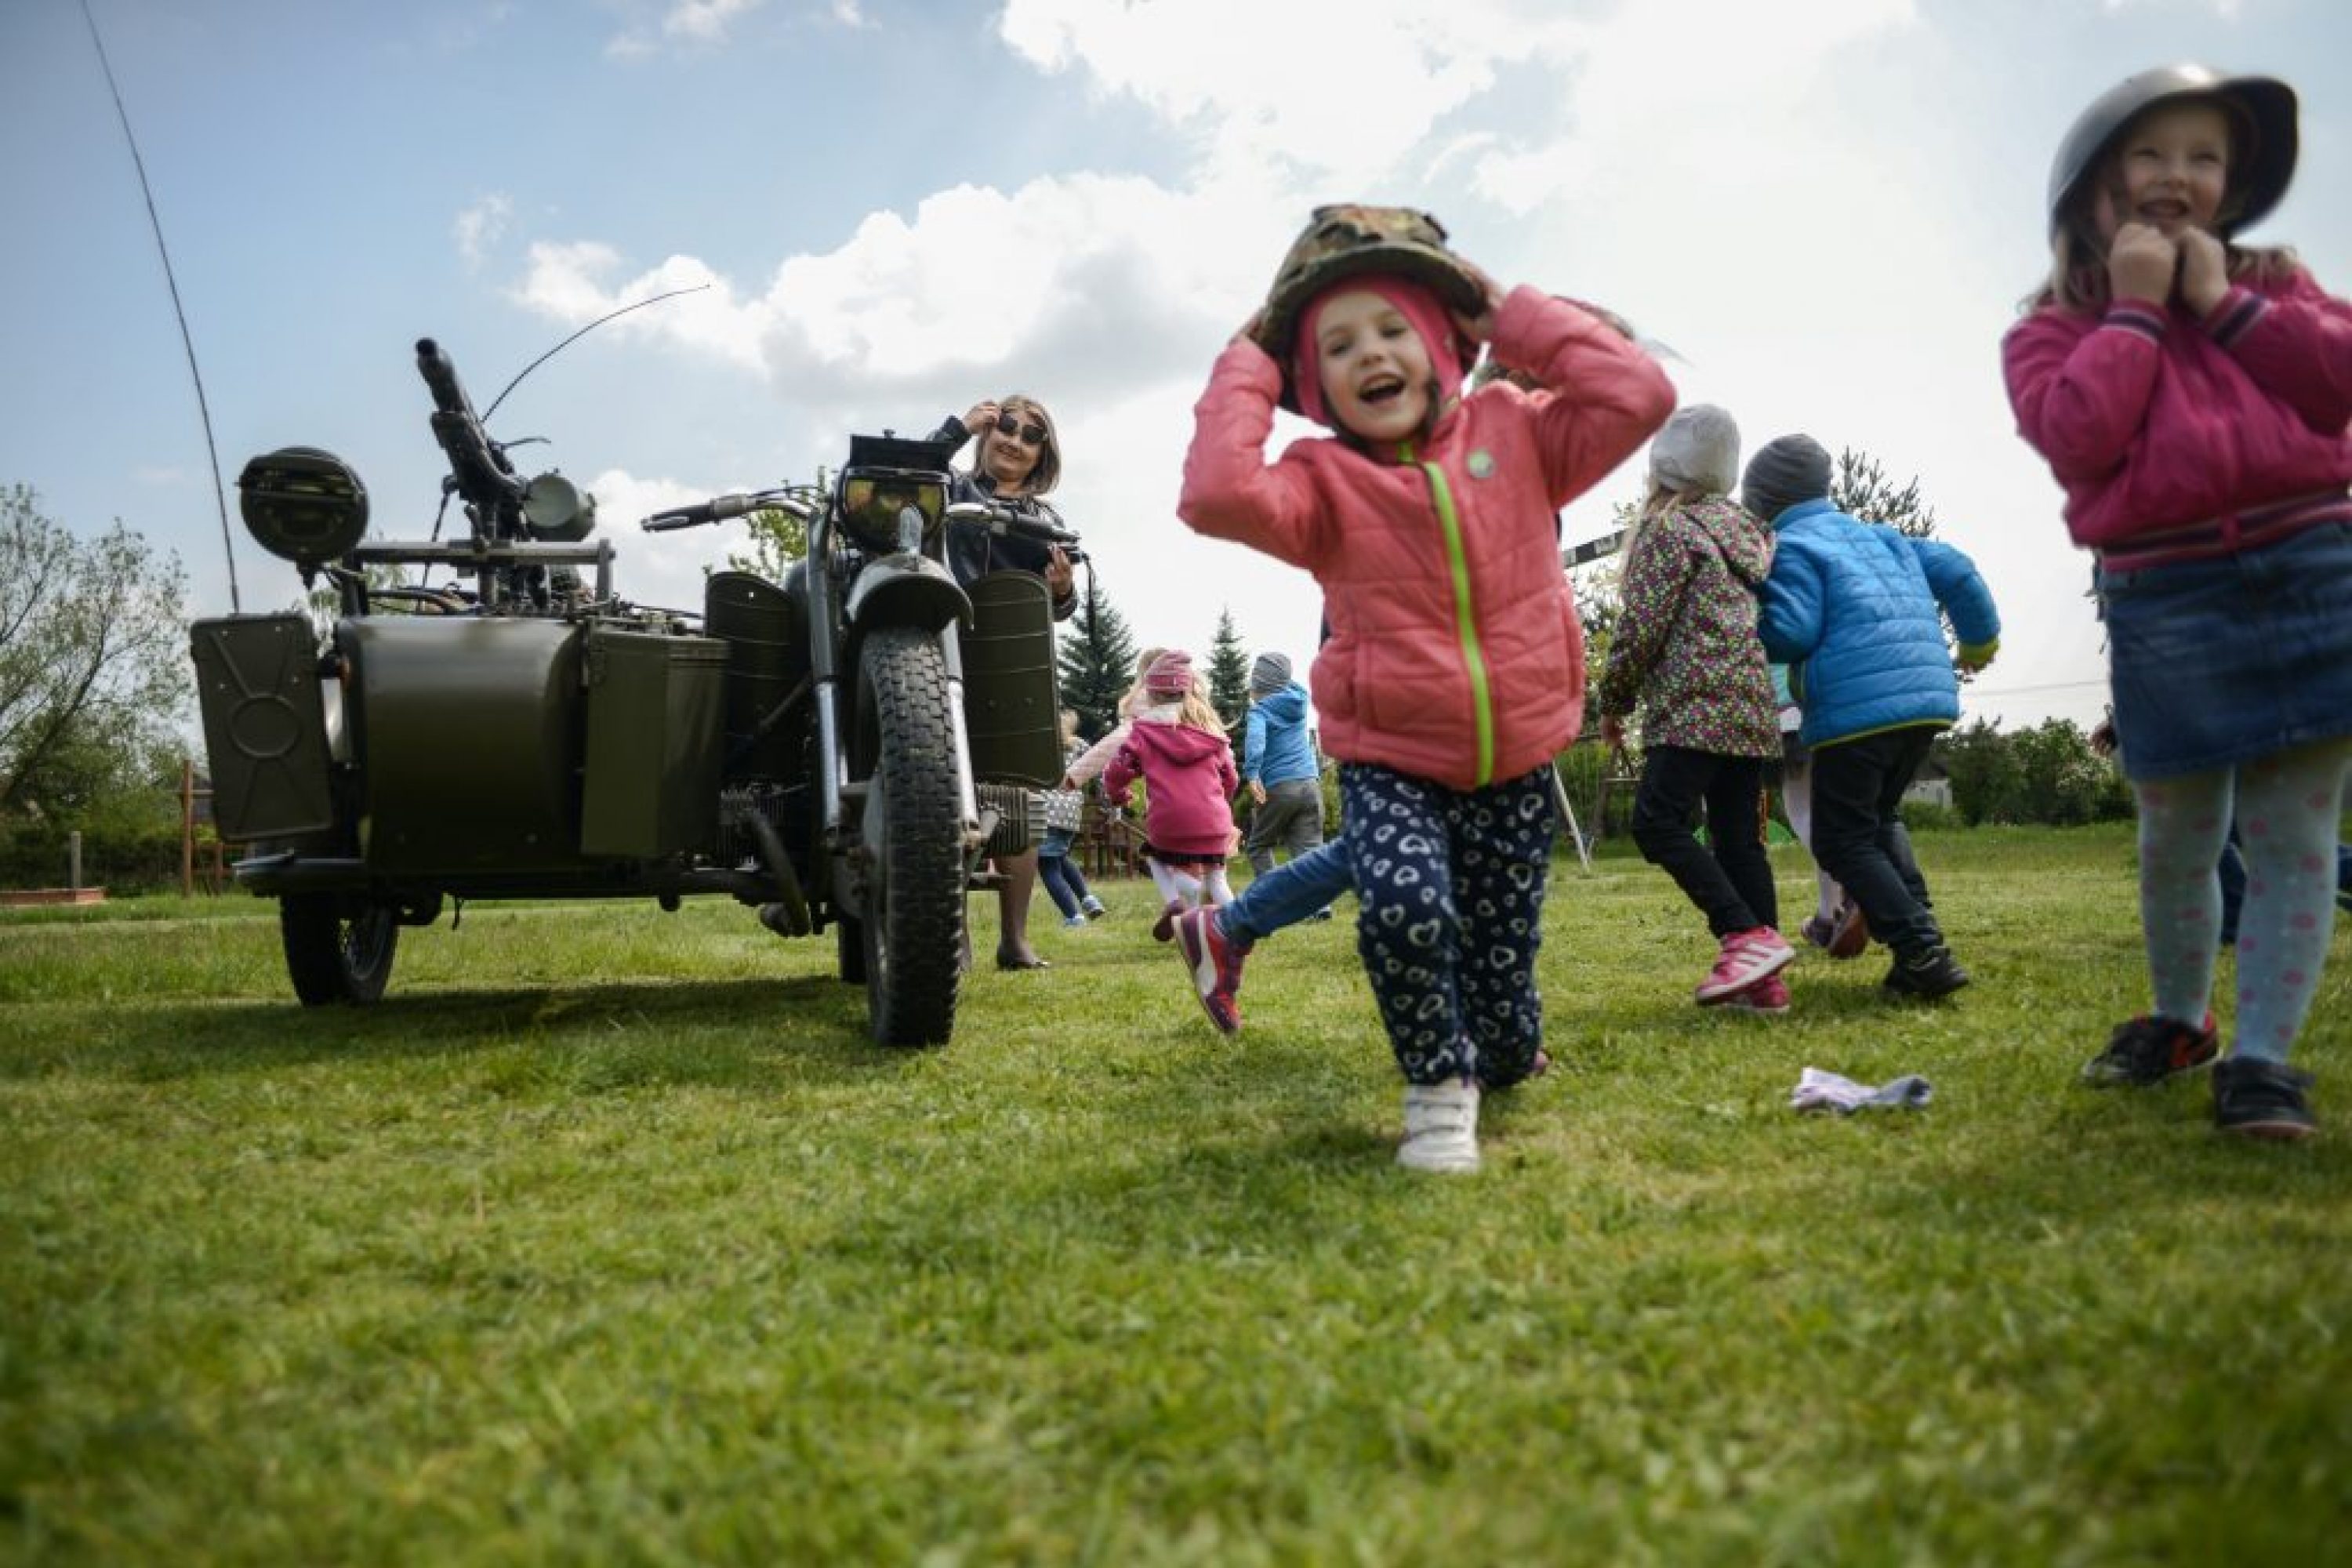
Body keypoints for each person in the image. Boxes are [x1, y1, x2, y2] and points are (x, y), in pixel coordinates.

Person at [1178, 203, 1674, 1172]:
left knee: (1502, 964)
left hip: (1517, 758)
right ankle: (1438, 1088)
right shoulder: (1321, 483)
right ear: (1311, 387)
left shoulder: (1520, 435)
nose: (1371, 354)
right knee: (1404, 908)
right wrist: (1250, 355)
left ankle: (1498, 1051)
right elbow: (1216, 492)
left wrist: (1500, 307)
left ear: (1450, 343)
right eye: (1338, 344)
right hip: (1393, 760)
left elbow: (1639, 392)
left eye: (1394, 328)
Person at [2005, 64, 2352, 1138]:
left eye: (2205, 157)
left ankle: (2262, 1061)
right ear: (2095, 189)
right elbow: (2079, 436)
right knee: (2178, 834)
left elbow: (2337, 381)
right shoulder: (2051, 327)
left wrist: (2224, 304)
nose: (2178, 176)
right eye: (2151, 154)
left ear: (2232, 185)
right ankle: (2179, 1016)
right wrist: (2143, 312)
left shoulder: (2277, 284)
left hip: (2312, 569)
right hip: (2167, 593)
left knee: (2295, 834)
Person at [1745, 434, 2001, 1003]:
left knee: (1839, 838)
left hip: (1856, 712)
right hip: (1927, 699)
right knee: (1878, 822)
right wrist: (1978, 645)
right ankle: (1921, 938)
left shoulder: (1790, 546)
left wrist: (1749, 621)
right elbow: (1958, 571)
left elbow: (1794, 630)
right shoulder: (1884, 537)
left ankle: (1921, 948)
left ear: (1760, 502)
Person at [1593, 405, 1794, 1014]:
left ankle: (1746, 935)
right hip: (1750, 706)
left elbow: (1642, 629)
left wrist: (1614, 701)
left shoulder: (1670, 533)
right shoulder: (1748, 535)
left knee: (1656, 823)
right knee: (1740, 844)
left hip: (1693, 706)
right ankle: (1765, 987)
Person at [929, 394, 1079, 971]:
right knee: (944, 797)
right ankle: (952, 935)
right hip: (942, 653)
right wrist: (955, 428)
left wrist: (1063, 589)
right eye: (1005, 426)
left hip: (1012, 663)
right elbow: (908, 478)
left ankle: (1014, 939)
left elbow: (1062, 606)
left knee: (1019, 804)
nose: (1014, 439)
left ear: (1044, 453)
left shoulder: (1049, 521)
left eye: (1030, 434)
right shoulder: (951, 491)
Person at [1101, 650, 1241, 925]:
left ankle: (1179, 903)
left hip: (1169, 821)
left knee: (1155, 859)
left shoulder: (1143, 732)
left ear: (1152, 695)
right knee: (1216, 876)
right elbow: (1231, 778)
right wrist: (1218, 802)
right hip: (1214, 820)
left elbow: (1116, 771)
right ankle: (1238, 926)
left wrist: (1119, 796)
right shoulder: (1210, 732)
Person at [1773, 662, 1867, 959]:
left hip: (1785, 711)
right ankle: (1827, 918)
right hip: (1831, 706)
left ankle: (1854, 888)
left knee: (1802, 814)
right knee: (1829, 812)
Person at [1239, 652, 1328, 894]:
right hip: (1310, 784)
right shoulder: (1299, 703)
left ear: (1259, 687)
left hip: (1280, 785)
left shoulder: (1260, 712)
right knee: (1309, 849)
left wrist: (1253, 773)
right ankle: (1320, 904)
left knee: (1258, 845)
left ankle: (1273, 897)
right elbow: (1287, 685)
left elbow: (1256, 742)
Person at [1036, 709, 1108, 929]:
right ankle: (1088, 899)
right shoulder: (1081, 745)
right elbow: (1100, 769)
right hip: (1071, 813)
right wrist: (1107, 802)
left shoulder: (1041, 746)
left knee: (1048, 866)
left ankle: (1073, 917)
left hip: (1046, 810)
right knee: (1060, 857)